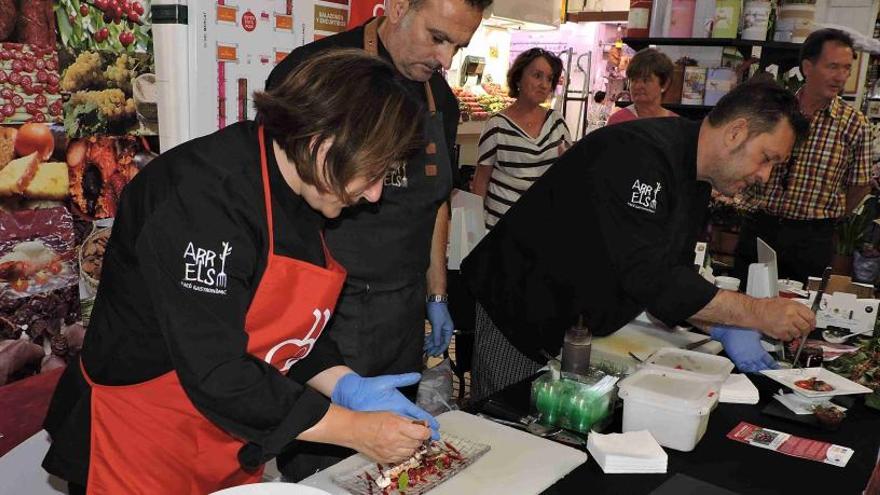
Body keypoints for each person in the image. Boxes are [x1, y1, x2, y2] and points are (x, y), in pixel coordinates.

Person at [42, 50, 439, 495]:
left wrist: (345, 384)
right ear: (321, 143)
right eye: (370, 174)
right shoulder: (203, 197)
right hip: (141, 433)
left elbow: (288, 324)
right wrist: (354, 430)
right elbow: (216, 369)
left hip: (224, 437)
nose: (374, 194)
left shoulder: (305, 186)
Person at [461, 81, 816, 399]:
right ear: (737, 132)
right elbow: (651, 277)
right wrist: (756, 313)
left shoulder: (695, 177)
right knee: (508, 422)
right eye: (766, 159)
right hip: (518, 311)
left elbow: (672, 270)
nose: (765, 176)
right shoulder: (640, 155)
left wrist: (722, 323)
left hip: (573, 324)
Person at [265, 0, 490, 481]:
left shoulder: (440, 99)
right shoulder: (319, 71)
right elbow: (279, 201)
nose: (446, 60)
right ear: (398, 8)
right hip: (332, 309)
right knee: (324, 459)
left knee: (392, 451)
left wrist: (436, 294)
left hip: (402, 305)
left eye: (459, 46)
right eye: (437, 37)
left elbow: (434, 204)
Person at [734, 29, 873, 285]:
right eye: (833, 67)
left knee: (798, 312)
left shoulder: (855, 125)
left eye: (846, 69)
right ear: (808, 67)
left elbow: (861, 184)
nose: (840, 77)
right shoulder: (775, 110)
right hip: (761, 225)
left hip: (812, 238)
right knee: (743, 296)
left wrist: (832, 215)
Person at [471, 47, 571, 230]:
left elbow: (566, 172)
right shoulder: (497, 125)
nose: (544, 84)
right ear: (518, 78)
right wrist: (474, 229)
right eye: (537, 75)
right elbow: (481, 180)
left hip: (543, 225)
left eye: (549, 79)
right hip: (500, 226)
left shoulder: (557, 122)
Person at [607, 48, 677, 126]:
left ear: (665, 84)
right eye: (634, 80)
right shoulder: (618, 121)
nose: (638, 86)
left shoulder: (675, 124)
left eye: (646, 80)